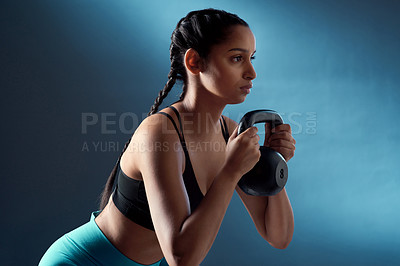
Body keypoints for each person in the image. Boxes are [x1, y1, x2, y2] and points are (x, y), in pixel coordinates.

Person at [40, 8, 296, 266]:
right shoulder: (160, 134)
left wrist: (273, 162)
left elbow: (279, 236)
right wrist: (230, 171)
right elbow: (181, 259)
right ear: (194, 62)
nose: (252, 72)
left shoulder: (230, 134)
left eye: (251, 58)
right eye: (237, 58)